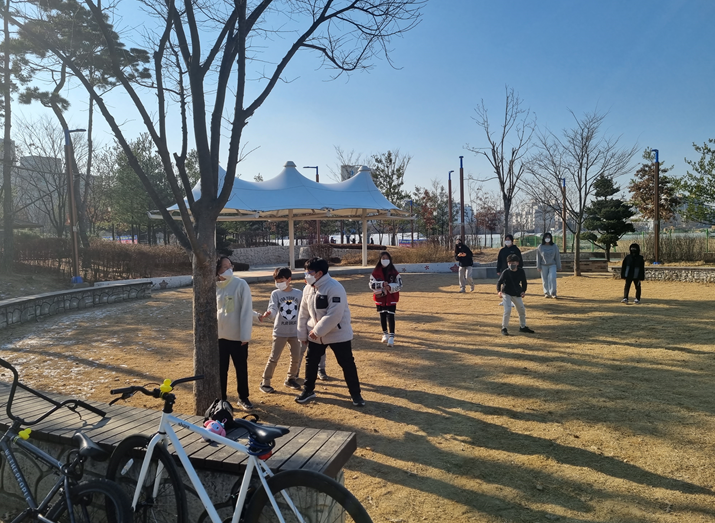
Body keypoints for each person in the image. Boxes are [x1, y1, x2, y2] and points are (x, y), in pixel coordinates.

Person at [296, 257, 365, 407]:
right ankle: (308, 390)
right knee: (311, 362)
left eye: (309, 272)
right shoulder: (308, 288)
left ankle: (356, 395)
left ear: (319, 273)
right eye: (305, 272)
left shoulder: (335, 287)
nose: (306, 275)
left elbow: (335, 314)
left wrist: (317, 331)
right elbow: (303, 313)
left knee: (347, 363)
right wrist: (302, 333)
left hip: (337, 334)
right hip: (314, 336)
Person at [215, 256, 254, 411]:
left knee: (241, 368)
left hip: (238, 337)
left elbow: (246, 310)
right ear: (217, 269)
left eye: (230, 266)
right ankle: (222, 399)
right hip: (219, 337)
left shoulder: (240, 284)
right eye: (224, 267)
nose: (229, 269)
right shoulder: (214, 287)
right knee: (220, 370)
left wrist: (245, 335)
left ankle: (243, 397)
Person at [258, 268, 304, 393]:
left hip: (295, 332)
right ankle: (265, 382)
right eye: (277, 281)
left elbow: (303, 311)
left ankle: (291, 378)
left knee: (296, 357)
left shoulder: (298, 293)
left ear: (289, 279)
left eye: (281, 281)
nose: (279, 283)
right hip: (280, 332)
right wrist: (269, 314)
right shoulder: (276, 293)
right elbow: (272, 307)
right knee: (274, 358)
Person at [369, 251, 403, 347]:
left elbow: (400, 284)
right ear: (380, 260)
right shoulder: (375, 272)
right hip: (380, 297)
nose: (385, 260)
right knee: (382, 315)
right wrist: (381, 284)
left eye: (387, 258)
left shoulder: (394, 272)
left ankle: (391, 337)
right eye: (383, 258)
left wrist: (390, 287)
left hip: (391, 297)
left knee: (391, 316)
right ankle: (385, 334)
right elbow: (371, 285)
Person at [497, 254, 535, 336]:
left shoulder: (521, 271)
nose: (511, 264)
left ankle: (523, 327)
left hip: (516, 293)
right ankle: (504, 328)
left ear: (517, 263)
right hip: (506, 293)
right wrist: (499, 291)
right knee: (507, 310)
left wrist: (523, 291)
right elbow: (499, 282)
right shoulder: (506, 272)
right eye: (509, 263)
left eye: (513, 263)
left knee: (521, 310)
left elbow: (524, 282)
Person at [536, 232, 561, 298]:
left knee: (553, 278)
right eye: (546, 237)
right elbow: (538, 257)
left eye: (549, 237)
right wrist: (538, 266)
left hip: (552, 264)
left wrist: (559, 266)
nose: (547, 238)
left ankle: (553, 292)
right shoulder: (540, 246)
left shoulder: (554, 246)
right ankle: (546, 292)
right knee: (545, 280)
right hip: (543, 265)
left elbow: (557, 256)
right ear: (544, 238)